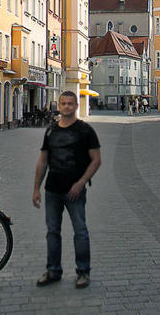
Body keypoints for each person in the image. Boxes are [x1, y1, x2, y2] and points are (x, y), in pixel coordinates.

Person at [32, 91, 102, 289]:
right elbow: (43, 160)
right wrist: (36, 188)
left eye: (70, 103)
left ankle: (83, 272)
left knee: (80, 231)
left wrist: (81, 183)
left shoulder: (85, 131)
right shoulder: (51, 130)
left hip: (75, 190)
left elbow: (96, 160)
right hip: (52, 189)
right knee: (52, 231)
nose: (67, 107)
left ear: (76, 106)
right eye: (63, 103)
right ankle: (53, 270)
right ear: (59, 106)